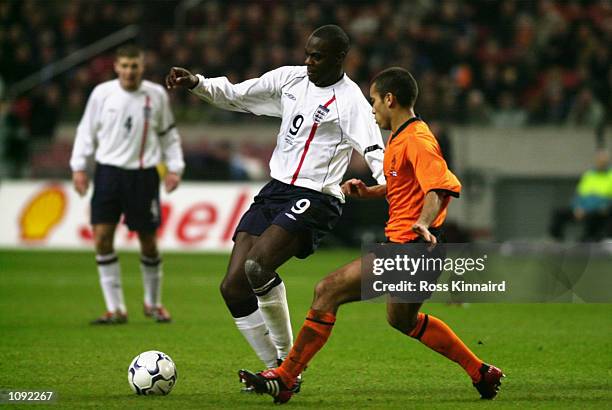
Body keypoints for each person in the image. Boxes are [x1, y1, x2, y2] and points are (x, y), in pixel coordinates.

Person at [238, 67, 504, 403]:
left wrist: (422, 222)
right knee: (403, 320)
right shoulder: (401, 138)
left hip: (411, 248)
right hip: (421, 251)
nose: (372, 107)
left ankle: (287, 375)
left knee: (328, 290)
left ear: (390, 99)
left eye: (374, 100)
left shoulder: (418, 140)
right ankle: (481, 372)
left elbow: (439, 187)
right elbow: (403, 184)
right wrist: (371, 191)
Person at [166, 25, 385, 372]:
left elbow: (377, 154)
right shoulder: (290, 79)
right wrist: (197, 83)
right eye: (308, 53)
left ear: (340, 58)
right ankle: (275, 366)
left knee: (257, 267)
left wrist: (389, 187)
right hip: (276, 190)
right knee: (233, 287)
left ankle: (287, 367)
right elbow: (237, 95)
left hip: (316, 196)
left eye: (317, 56)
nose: (308, 61)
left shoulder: (351, 102)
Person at [70, 45, 184, 324]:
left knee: (148, 243)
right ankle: (115, 309)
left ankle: (153, 304)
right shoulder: (102, 94)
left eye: (134, 66)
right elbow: (86, 130)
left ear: (142, 67)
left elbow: (168, 134)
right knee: (102, 239)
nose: (129, 71)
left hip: (143, 175)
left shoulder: (156, 95)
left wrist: (175, 168)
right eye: (125, 66)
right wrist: (79, 167)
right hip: (108, 173)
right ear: (116, 67)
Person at [549, 150, 612, 241]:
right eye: (599, 161)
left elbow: (607, 200)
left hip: (599, 210)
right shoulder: (589, 175)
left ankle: (588, 240)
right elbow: (579, 195)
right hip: (581, 209)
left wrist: (588, 209)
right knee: (558, 213)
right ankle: (557, 240)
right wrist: (577, 208)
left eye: (603, 161)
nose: (601, 163)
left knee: (597, 216)